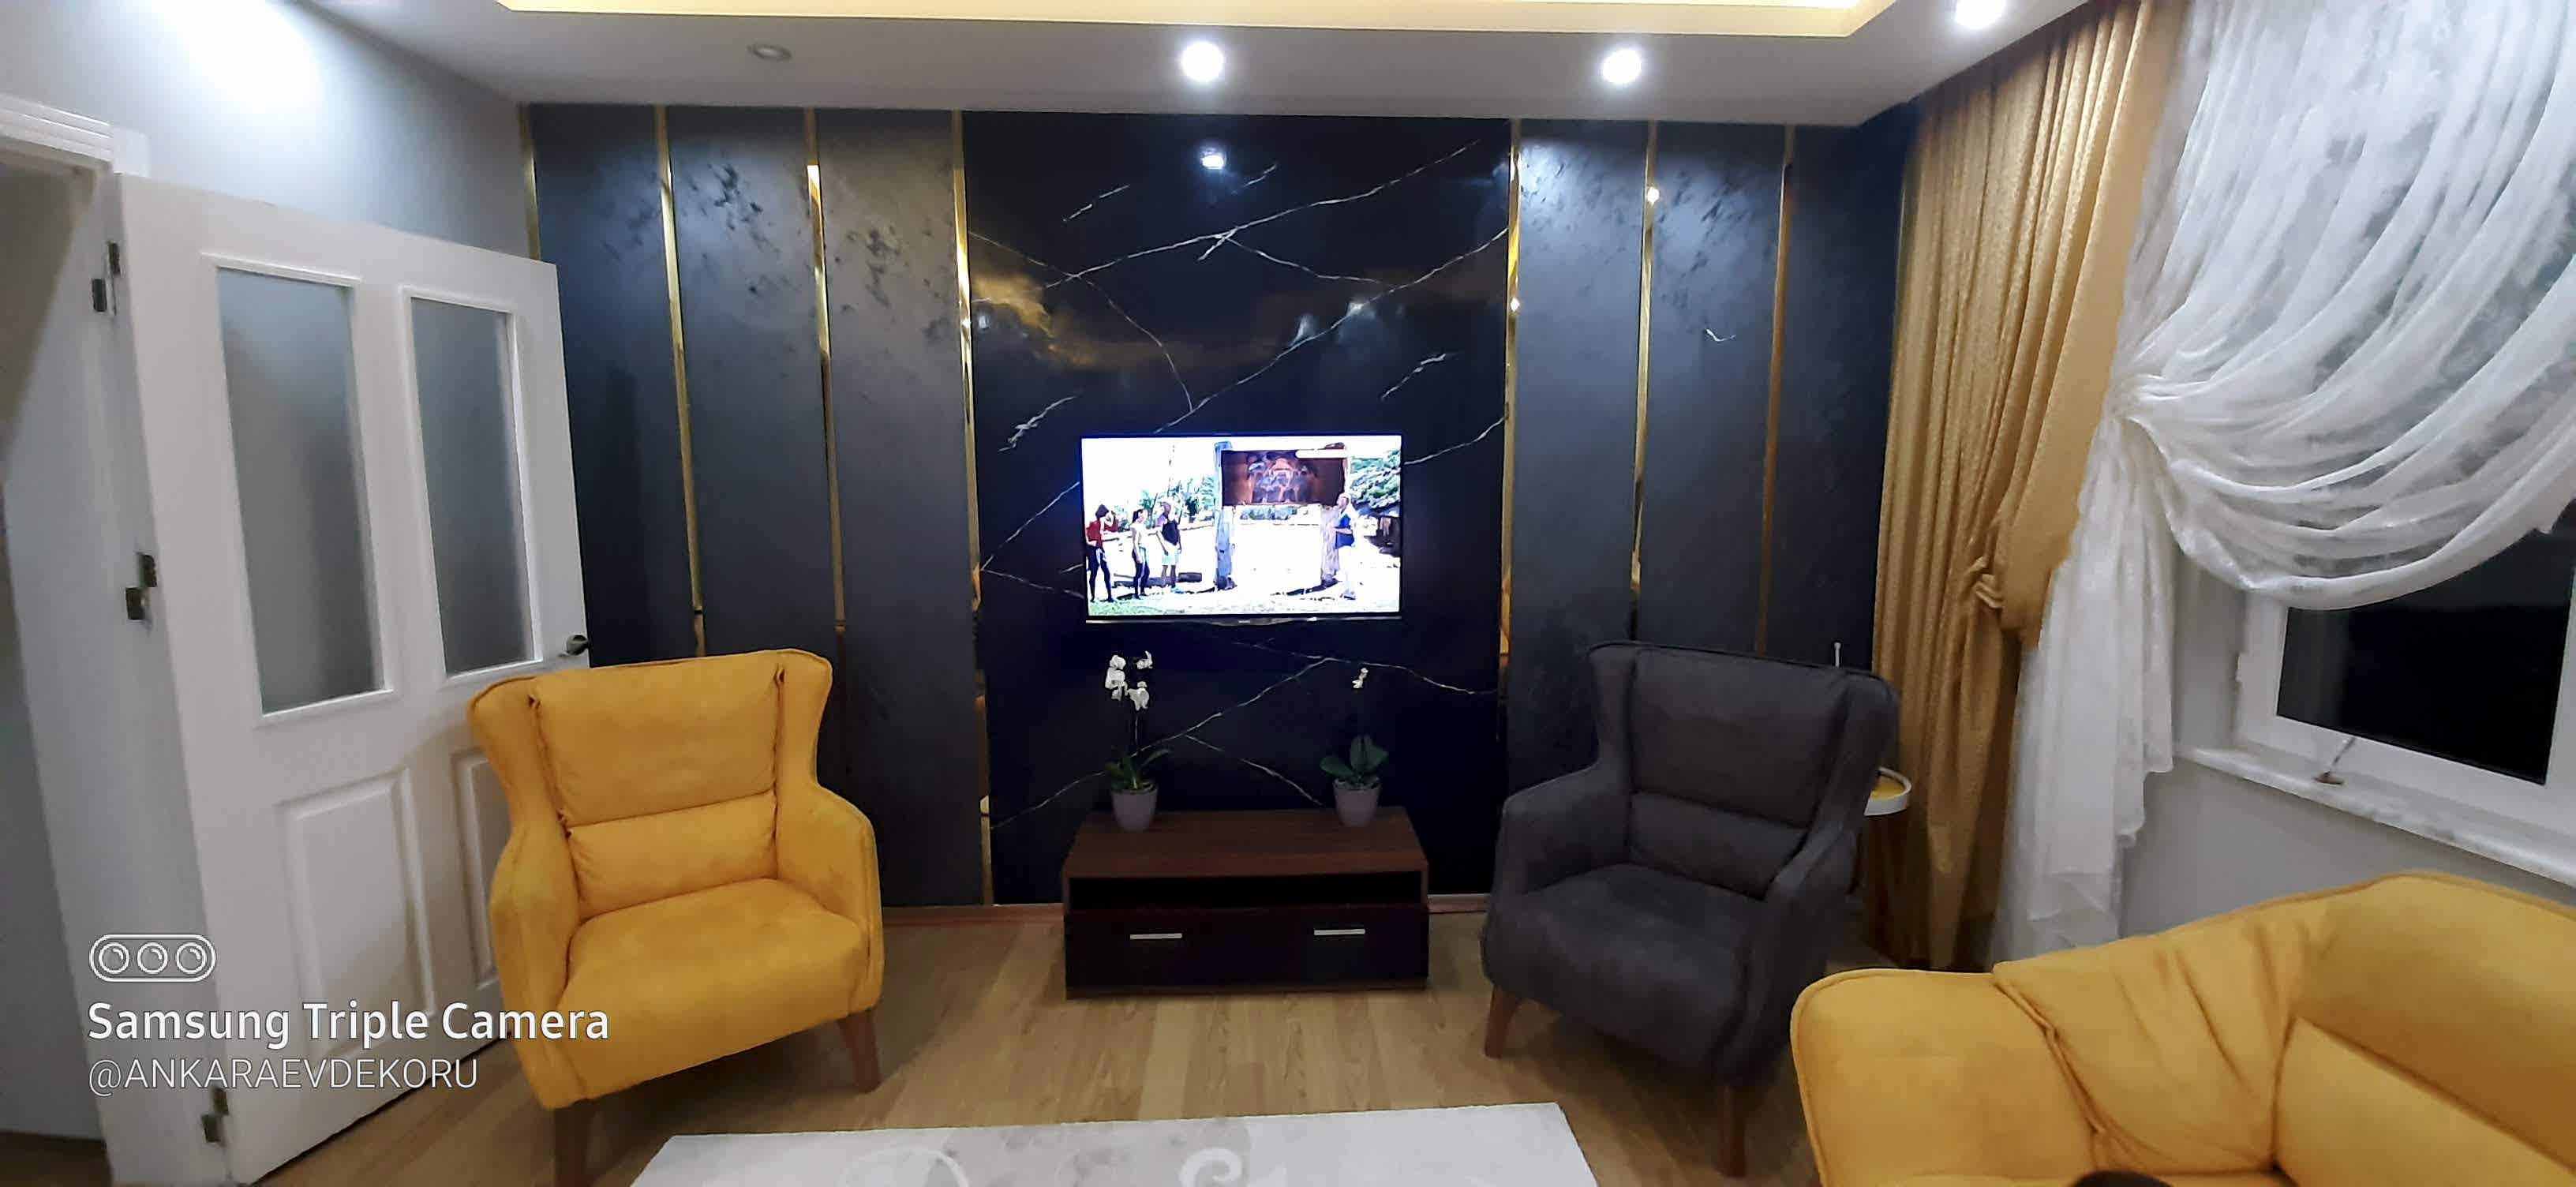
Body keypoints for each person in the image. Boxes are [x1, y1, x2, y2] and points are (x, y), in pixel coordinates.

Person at [1330, 492, 1358, 600]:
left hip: (1347, 545)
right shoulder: (1343, 513)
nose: (1339, 502)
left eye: (1341, 500)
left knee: (1349, 569)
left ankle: (1352, 591)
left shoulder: (1348, 514)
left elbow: (1349, 531)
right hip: (1343, 545)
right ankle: (1347, 591)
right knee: (1345, 569)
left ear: (1346, 501)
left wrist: (1335, 529)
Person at [1084, 504, 1113, 601]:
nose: (1105, 516)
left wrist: (1114, 517)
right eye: (1104, 514)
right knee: (1094, 572)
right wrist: (1088, 542)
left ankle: (1110, 596)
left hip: (1100, 549)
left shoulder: (1102, 522)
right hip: (1092, 550)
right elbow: (1084, 531)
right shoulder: (1092, 522)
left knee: (1107, 572)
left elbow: (1113, 528)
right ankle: (1093, 597)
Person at [1128, 506, 1153, 598]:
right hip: (1139, 549)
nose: (1146, 516)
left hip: (1144, 549)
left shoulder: (1142, 526)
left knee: (1146, 571)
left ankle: (1142, 590)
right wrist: (1138, 555)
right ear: (1140, 514)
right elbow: (1135, 542)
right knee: (1139, 572)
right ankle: (1136, 593)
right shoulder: (1135, 526)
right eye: (1145, 514)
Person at [1157, 500, 1183, 588]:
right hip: (1167, 544)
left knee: (1174, 566)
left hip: (1175, 545)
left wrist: (1180, 544)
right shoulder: (1162, 518)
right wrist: (1164, 547)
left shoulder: (1174, 517)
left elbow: (1177, 531)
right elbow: (1158, 532)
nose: (1169, 507)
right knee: (1165, 566)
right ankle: (1163, 586)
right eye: (1167, 506)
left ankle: (1173, 586)